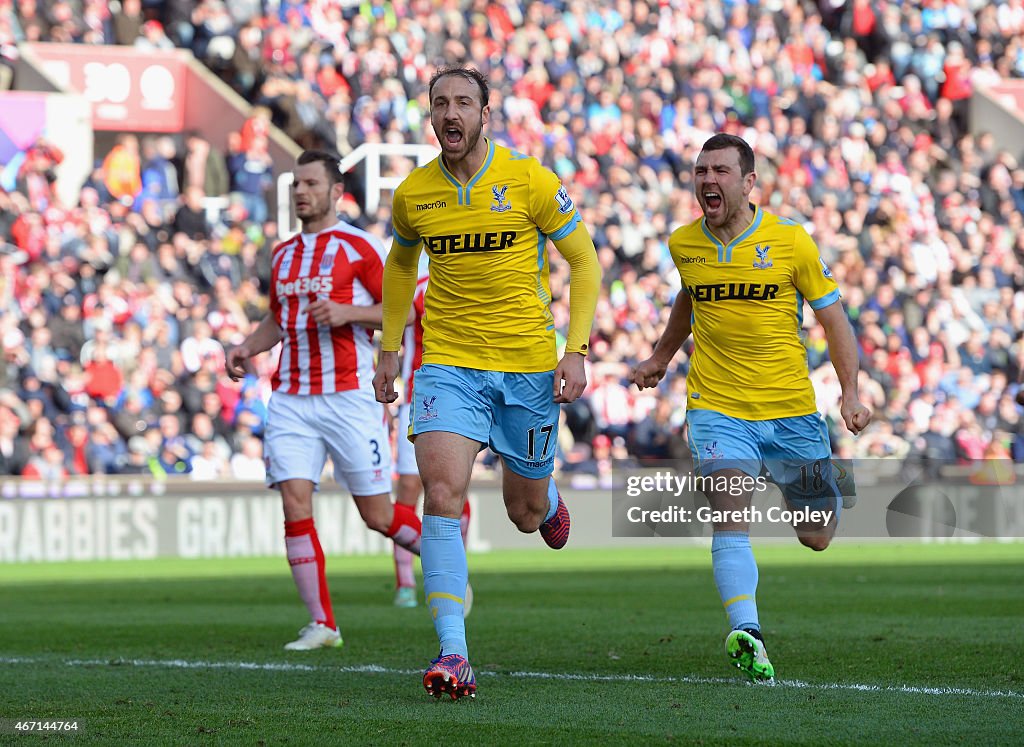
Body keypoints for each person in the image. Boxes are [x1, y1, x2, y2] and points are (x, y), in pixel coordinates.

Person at [373, 66, 602, 700]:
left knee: (524, 514)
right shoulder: (413, 194)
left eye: (463, 103)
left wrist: (576, 351)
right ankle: (454, 654)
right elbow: (399, 265)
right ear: (430, 116)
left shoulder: (529, 180)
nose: (450, 114)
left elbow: (584, 261)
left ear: (486, 114)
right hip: (448, 365)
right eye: (439, 104)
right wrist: (390, 350)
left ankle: (548, 496)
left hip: (528, 365)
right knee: (441, 494)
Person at [631, 133, 872, 685]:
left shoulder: (791, 242)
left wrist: (850, 392)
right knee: (729, 511)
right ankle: (749, 632)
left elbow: (834, 320)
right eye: (699, 171)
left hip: (790, 410)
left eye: (719, 171)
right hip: (717, 405)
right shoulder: (683, 244)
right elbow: (690, 297)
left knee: (817, 533)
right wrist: (662, 356)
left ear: (749, 182)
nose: (707, 180)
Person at [227, 150, 423, 652]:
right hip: (292, 396)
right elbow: (279, 318)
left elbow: (396, 313)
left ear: (336, 191)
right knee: (294, 501)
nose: (300, 192)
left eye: (311, 183)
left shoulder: (359, 247)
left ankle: (445, 565)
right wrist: (247, 347)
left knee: (378, 516)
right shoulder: (283, 253)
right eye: (296, 183)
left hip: (349, 395)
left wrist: (346, 312)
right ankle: (323, 623)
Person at [390, 271, 473, 610]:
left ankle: (456, 573)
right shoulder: (424, 286)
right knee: (409, 488)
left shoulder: (473, 282)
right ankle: (405, 581)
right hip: (417, 395)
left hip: (461, 397)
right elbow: (401, 316)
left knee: (453, 486)